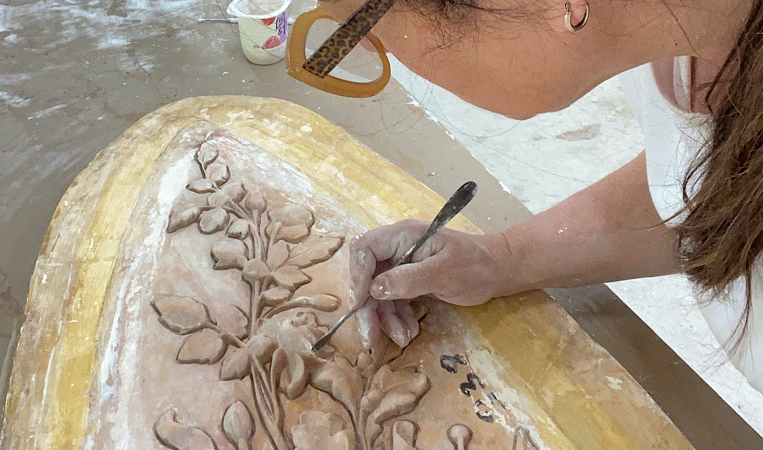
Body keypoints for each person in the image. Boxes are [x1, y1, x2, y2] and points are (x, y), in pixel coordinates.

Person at [314, 0, 763, 390]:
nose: (378, 52)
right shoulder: (682, 25)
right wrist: (500, 260)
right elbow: (699, 178)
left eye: (364, 29)